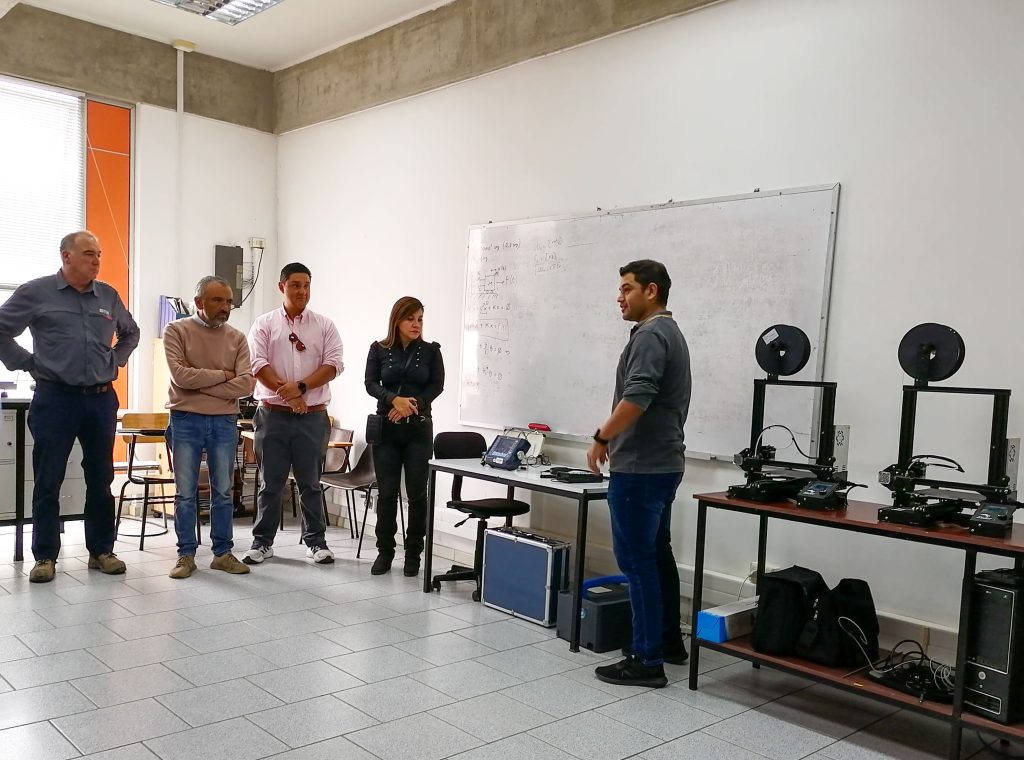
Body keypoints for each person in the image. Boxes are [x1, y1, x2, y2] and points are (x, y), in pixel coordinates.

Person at [0, 231, 139, 583]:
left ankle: (102, 551)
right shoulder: (36, 292)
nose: (96, 260)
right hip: (55, 398)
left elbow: (131, 333)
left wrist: (115, 359)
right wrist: (25, 362)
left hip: (100, 399)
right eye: (89, 253)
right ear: (66, 257)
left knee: (101, 476)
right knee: (48, 478)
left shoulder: (107, 295)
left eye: (99, 253)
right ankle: (45, 557)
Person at [586, 259, 691, 689]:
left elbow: (637, 398)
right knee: (657, 555)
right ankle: (667, 641)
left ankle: (646, 660)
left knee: (637, 563)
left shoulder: (651, 335)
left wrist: (601, 436)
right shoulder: (670, 332)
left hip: (641, 469)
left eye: (627, 289)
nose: (619, 297)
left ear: (651, 291)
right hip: (664, 465)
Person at [244, 263, 343, 565]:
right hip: (272, 415)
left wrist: (300, 389)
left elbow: (334, 364)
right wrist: (288, 395)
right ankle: (262, 543)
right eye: (296, 285)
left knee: (310, 483)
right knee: (270, 483)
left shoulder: (324, 325)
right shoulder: (264, 324)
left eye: (307, 285)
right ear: (282, 287)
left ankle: (316, 543)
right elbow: (257, 363)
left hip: (312, 417)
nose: (302, 291)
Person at [163, 276, 255, 579]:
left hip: (224, 422)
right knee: (186, 493)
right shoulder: (175, 330)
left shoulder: (238, 338)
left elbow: (246, 383)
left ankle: (222, 553)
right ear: (199, 302)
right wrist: (223, 376)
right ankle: (186, 555)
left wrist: (200, 386)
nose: (225, 307)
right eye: (217, 301)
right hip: (185, 420)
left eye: (229, 302)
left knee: (224, 492)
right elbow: (180, 377)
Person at [364, 297, 444, 577]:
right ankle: (384, 552)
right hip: (386, 430)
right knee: (387, 493)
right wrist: (393, 400)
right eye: (411, 318)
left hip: (418, 431)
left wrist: (411, 405)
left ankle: (414, 555)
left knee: (418, 494)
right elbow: (371, 383)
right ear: (397, 320)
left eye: (420, 319)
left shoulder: (432, 351)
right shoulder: (379, 349)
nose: (416, 324)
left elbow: (436, 386)